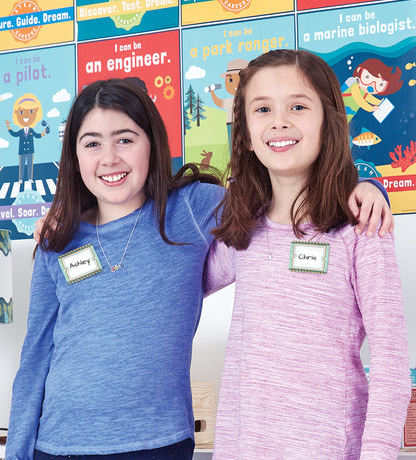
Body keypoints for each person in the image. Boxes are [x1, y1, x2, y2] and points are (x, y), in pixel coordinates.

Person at [7, 77, 392, 460]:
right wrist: (19, 453)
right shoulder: (57, 239)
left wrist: (365, 187)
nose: (109, 158)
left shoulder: (193, 207)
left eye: (125, 139)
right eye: (92, 143)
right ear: (74, 157)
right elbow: (35, 355)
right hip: (58, 444)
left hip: (160, 442)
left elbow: (282, 194)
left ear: (152, 143)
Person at [204, 49, 411, 459]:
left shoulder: (361, 226)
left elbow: (391, 361)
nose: (279, 121)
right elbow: (174, 285)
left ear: (328, 122)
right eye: (262, 109)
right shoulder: (242, 231)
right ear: (245, 132)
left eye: (298, 106)